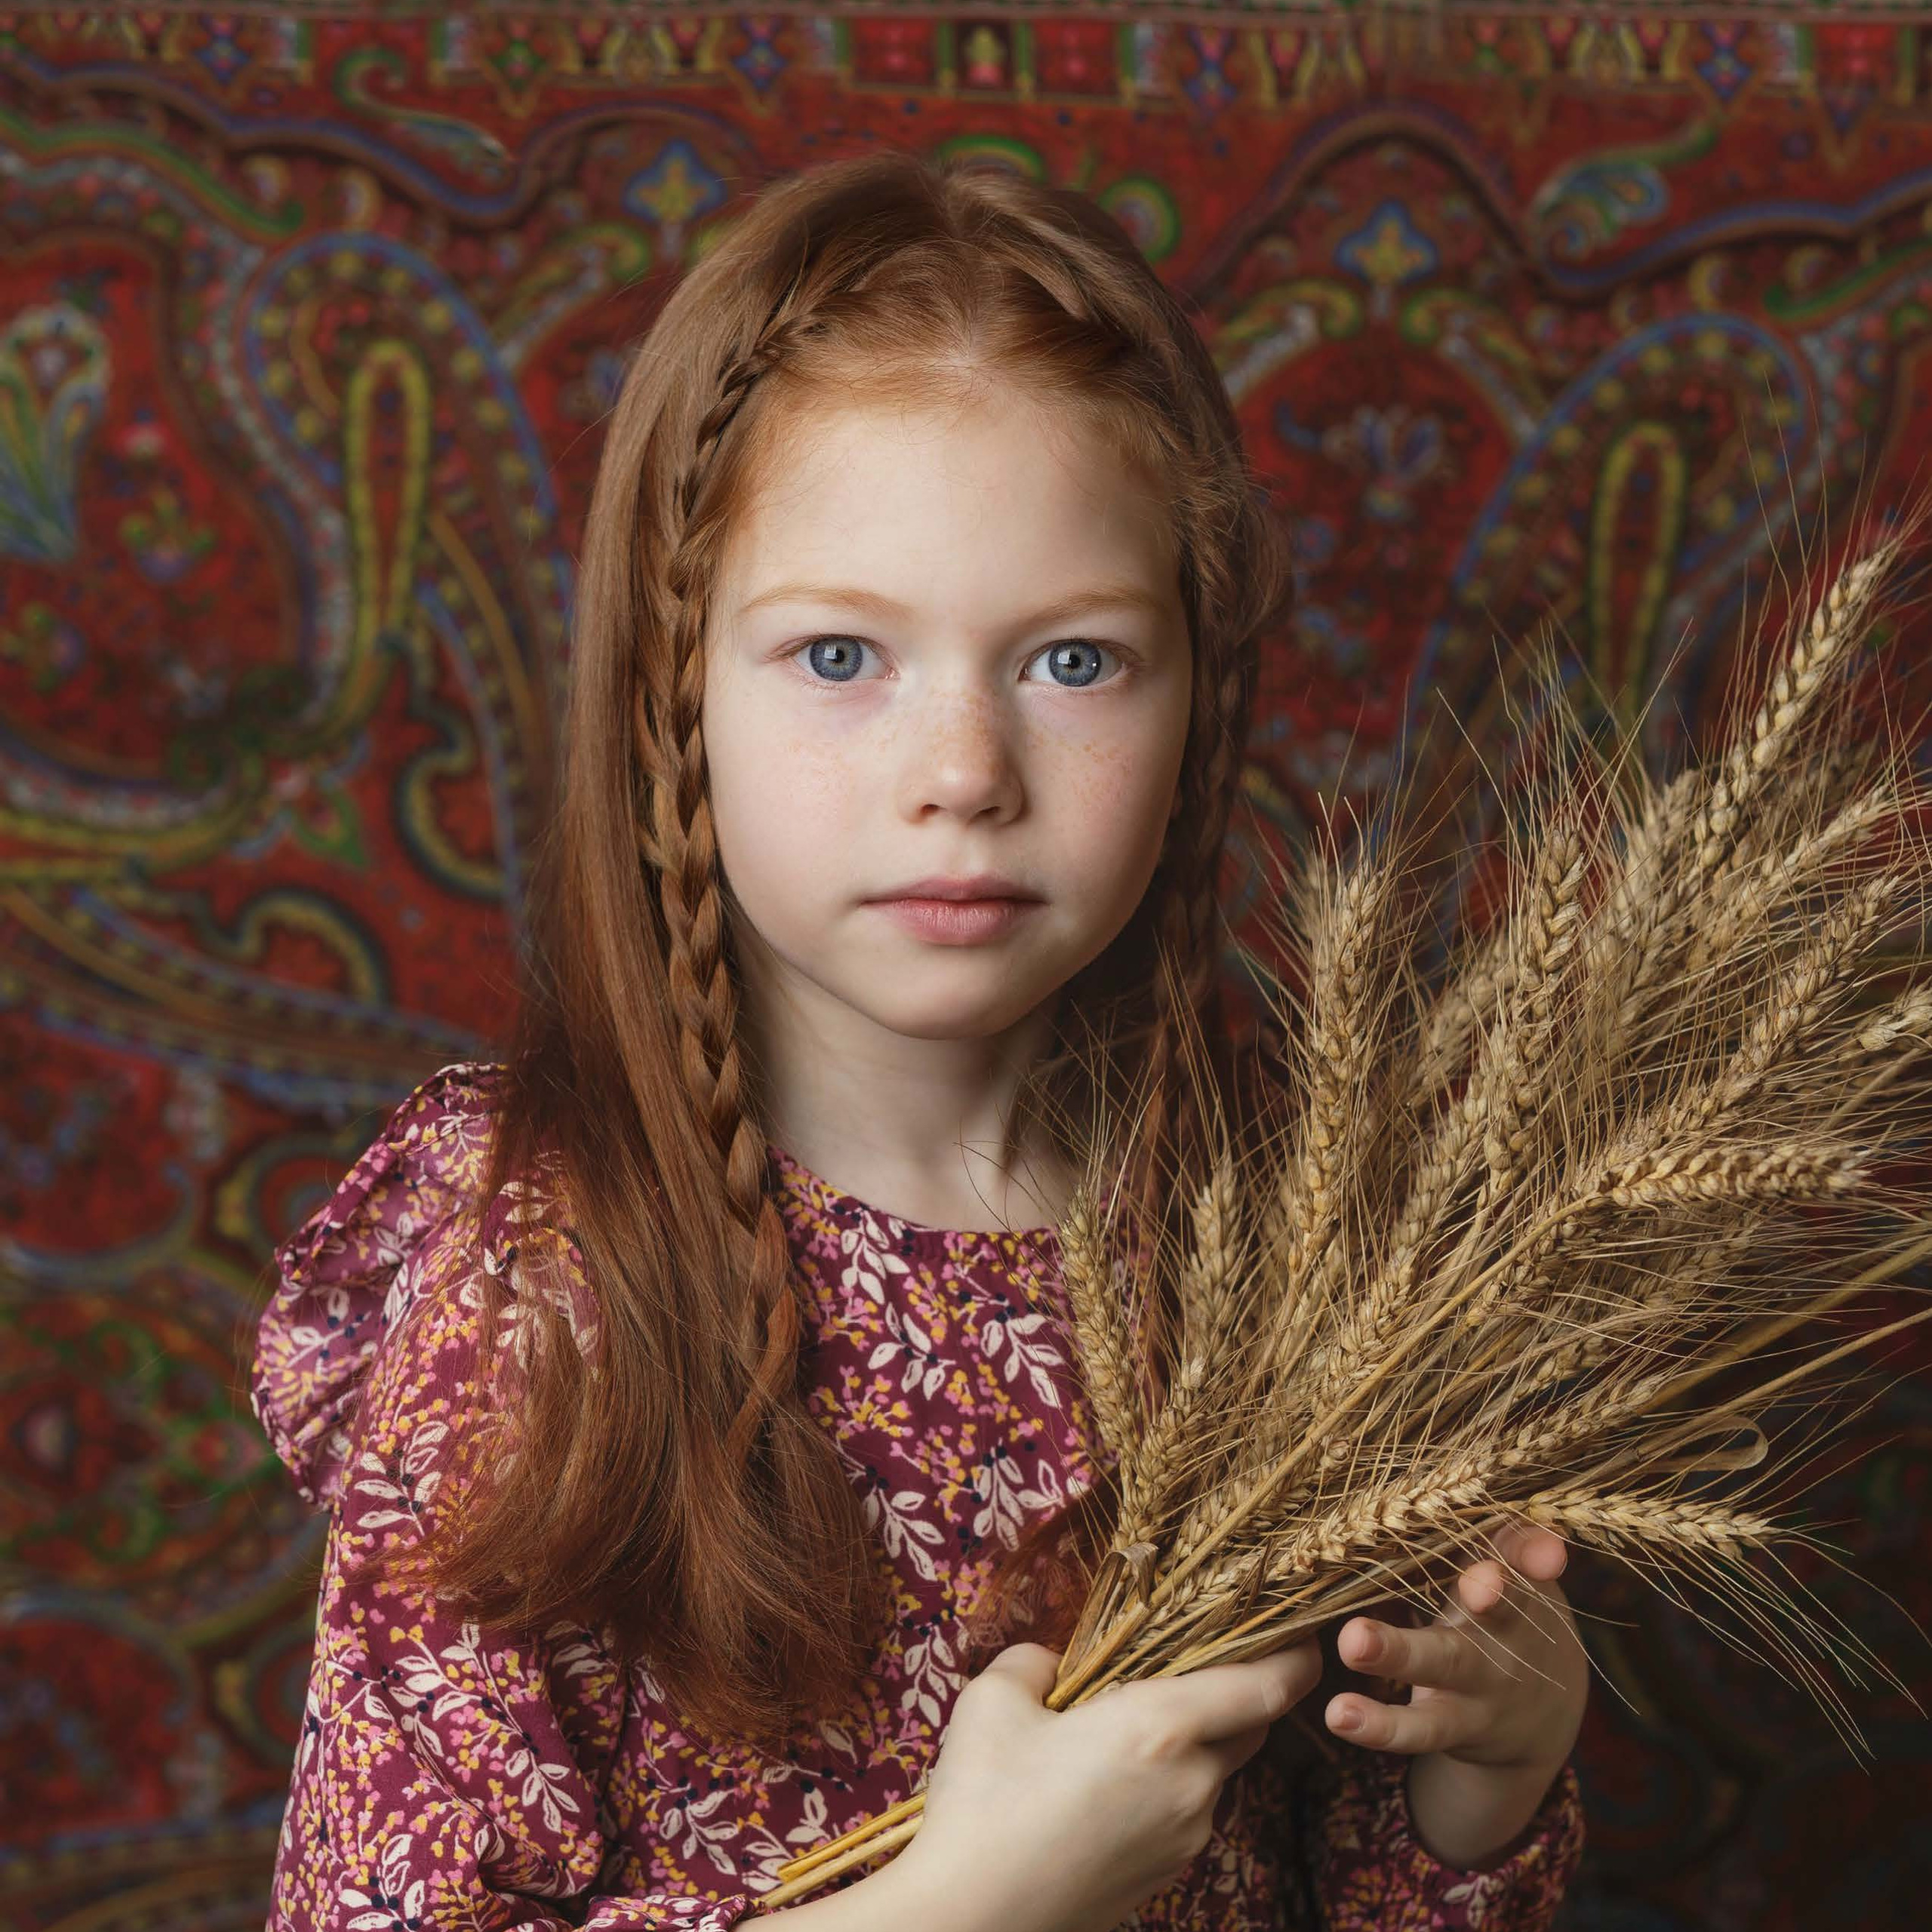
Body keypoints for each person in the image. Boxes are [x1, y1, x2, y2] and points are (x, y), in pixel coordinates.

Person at [251, 148, 1586, 1931]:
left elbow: (1336, 1873)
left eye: (1072, 663)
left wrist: (1478, 1779)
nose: (962, 768)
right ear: (675, 703)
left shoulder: (1280, 1240)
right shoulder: (542, 1277)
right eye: (834, 658)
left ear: (1199, 700)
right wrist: (972, 1900)